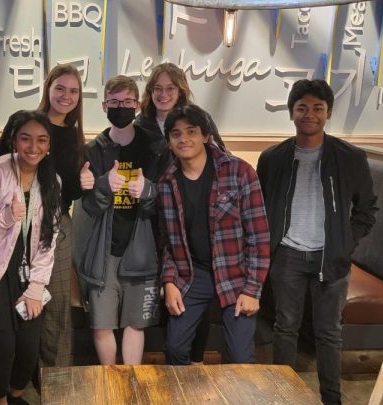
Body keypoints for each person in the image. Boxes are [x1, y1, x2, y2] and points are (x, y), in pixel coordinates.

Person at [257, 79, 377, 405]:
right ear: (291, 113)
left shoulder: (350, 157)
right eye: (302, 108)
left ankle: (331, 399)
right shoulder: (272, 158)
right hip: (288, 256)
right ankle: (281, 396)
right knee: (285, 328)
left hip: (331, 258)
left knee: (329, 333)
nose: (310, 114)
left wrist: (345, 242)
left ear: (328, 113)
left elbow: (367, 209)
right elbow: (262, 206)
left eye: (317, 108)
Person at [157, 105, 270, 365]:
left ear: (206, 135)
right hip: (192, 275)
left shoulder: (239, 172)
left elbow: (260, 237)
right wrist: (169, 281)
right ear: (169, 142)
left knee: (240, 358)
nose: (183, 138)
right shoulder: (167, 183)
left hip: (235, 274)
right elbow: (168, 244)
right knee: (174, 349)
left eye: (191, 131)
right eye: (176, 134)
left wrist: (253, 289)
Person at [0, 110, 61, 405]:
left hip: (27, 275)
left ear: (48, 145)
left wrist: (35, 289)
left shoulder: (51, 179)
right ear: (14, 141)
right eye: (26, 139)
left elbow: (49, 239)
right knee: (4, 346)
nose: (34, 147)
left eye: (41, 140)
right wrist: (4, 216)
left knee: (29, 348)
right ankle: (0, 398)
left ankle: (17, 394)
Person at [0, 64, 84, 369]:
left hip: (56, 225)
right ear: (48, 88)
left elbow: (69, 191)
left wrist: (83, 185)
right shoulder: (22, 121)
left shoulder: (74, 135)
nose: (66, 96)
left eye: (73, 91)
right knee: (16, 299)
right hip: (14, 222)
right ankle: (14, 378)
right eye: (60, 88)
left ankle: (55, 378)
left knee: (55, 302)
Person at [134, 62, 225, 364]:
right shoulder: (139, 124)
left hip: (189, 220)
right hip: (149, 219)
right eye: (157, 88)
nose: (163, 94)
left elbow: (221, 160)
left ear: (181, 89)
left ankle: (195, 360)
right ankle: (164, 357)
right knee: (162, 290)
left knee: (192, 294)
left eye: (170, 88)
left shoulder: (198, 119)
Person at [77, 75, 165, 365]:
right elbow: (88, 206)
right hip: (104, 252)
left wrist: (148, 191)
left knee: (135, 323)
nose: (121, 107)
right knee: (102, 324)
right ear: (104, 106)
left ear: (138, 105)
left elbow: (166, 202)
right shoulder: (93, 150)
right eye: (114, 102)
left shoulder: (155, 147)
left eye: (128, 102)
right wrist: (104, 184)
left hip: (141, 249)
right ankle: (110, 384)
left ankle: (131, 385)